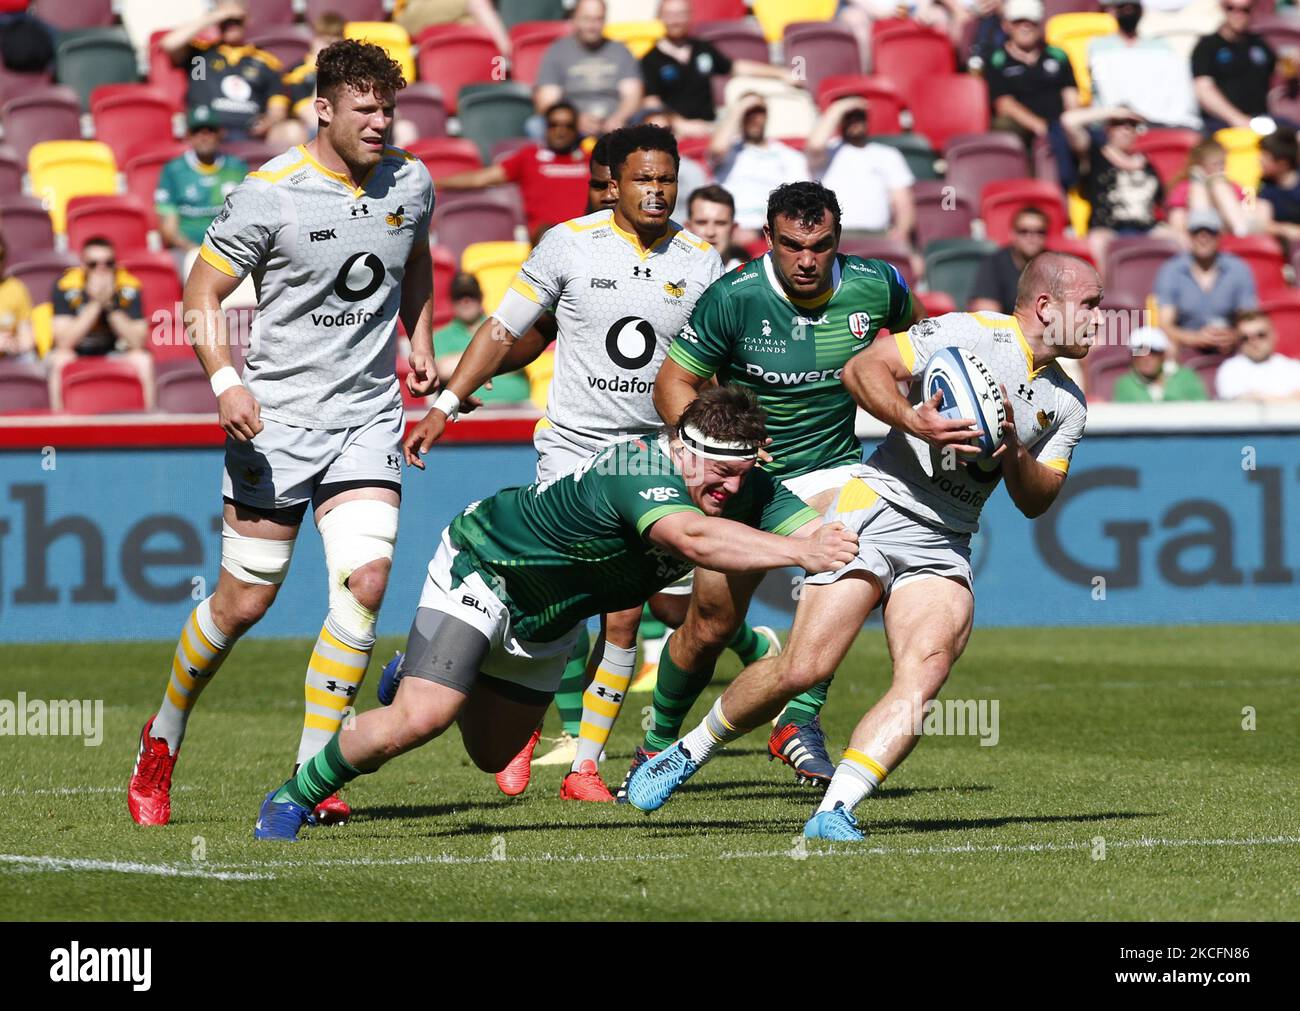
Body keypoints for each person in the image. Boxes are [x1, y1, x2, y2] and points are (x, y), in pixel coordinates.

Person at [251, 387, 860, 841]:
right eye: (719, 472)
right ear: (681, 448)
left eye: (742, 474)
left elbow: (828, 531)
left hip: (552, 621)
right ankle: (292, 796)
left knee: (492, 755)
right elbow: (695, 540)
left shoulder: (749, 489)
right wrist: (802, 552)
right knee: (423, 716)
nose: (730, 488)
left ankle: (425, 660)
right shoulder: (638, 467)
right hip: (487, 567)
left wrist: (868, 540)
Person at [627, 253, 1097, 842]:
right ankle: (688, 751)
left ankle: (835, 810)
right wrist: (912, 419)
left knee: (923, 679)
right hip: (877, 507)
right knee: (804, 668)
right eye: (1092, 305)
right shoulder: (967, 333)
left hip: (946, 539)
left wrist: (1012, 450)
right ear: (1047, 306)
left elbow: (1037, 500)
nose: (1102, 321)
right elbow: (863, 369)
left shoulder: (1069, 404)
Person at [406, 125, 779, 803]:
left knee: (636, 611)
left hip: (658, 461)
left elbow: (721, 363)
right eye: (644, 179)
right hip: (575, 453)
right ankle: (480, 700)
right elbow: (503, 329)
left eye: (667, 180)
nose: (657, 191)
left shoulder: (702, 264)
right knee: (553, 608)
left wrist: (744, 432)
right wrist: (449, 402)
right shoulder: (567, 244)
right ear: (617, 182)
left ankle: (583, 763)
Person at [126, 41, 438, 829]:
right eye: (364, 108)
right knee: (241, 604)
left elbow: (416, 263)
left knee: (364, 586)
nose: (381, 122)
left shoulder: (412, 181)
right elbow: (201, 290)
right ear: (323, 108)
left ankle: (310, 775)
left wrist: (420, 340)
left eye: (388, 108)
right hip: (277, 421)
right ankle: (163, 733)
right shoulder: (270, 193)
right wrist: (227, 381)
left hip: (366, 416)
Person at [633, 180, 924, 796]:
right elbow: (671, 385)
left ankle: (797, 717)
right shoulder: (733, 298)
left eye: (819, 245)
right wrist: (712, 446)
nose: (807, 259)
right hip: (750, 479)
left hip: (835, 468)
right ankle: (657, 744)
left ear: (838, 239)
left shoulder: (880, 285)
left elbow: (917, 351)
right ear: (770, 239)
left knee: (853, 559)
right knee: (708, 626)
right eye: (792, 245)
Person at [435, 102, 589, 242]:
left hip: (586, 236)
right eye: (554, 125)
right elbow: (480, 179)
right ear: (545, 128)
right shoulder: (529, 157)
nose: (560, 131)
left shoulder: (590, 159)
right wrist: (435, 182)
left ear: (576, 129)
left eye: (567, 126)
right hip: (546, 239)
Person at [641, 0, 798, 137]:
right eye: (670, 14)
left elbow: (736, 67)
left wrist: (780, 73)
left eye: (681, 14)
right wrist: (680, 124)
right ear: (660, 17)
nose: (676, 20)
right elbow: (651, 104)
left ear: (690, 16)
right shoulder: (650, 60)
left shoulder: (701, 48)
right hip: (675, 131)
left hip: (710, 125)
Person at [160, 1, 289, 142]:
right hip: (206, 133)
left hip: (249, 134)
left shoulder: (267, 62)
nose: (231, 25)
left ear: (247, 20)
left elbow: (277, 110)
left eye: (236, 20)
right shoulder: (199, 55)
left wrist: (268, 122)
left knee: (291, 132)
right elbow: (169, 43)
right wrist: (215, 15)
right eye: (225, 21)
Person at [47, 237, 152, 411]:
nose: (101, 269)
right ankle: (59, 424)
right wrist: (96, 303)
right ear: (83, 265)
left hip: (113, 350)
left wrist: (110, 305)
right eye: (93, 264)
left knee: (143, 360)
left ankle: (149, 423)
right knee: (60, 359)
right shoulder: (65, 286)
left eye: (108, 263)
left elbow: (137, 342)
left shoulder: (129, 286)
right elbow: (63, 342)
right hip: (77, 352)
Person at [1061, 105, 1165, 268]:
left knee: (1178, 241)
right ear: (1108, 128)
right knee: (1100, 243)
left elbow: (1161, 202)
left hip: (1146, 228)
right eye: (1119, 123)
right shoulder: (1095, 156)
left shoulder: (1147, 164)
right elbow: (1068, 121)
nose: (1126, 129)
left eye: (1132, 125)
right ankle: (1107, 293)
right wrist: (1111, 111)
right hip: (1107, 229)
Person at [985, 0, 1078, 174]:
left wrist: (1068, 124)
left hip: (1059, 124)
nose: (1025, 26)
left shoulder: (1058, 56)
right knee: (1004, 125)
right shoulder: (997, 60)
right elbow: (1004, 104)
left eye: (1031, 21)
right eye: (1018, 21)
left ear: (1040, 22)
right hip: (1023, 127)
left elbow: (1071, 96)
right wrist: (1040, 127)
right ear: (1006, 25)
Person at [807, 96, 914, 242]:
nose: (855, 122)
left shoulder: (888, 154)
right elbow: (814, 145)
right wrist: (840, 107)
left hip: (879, 236)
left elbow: (903, 202)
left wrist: (902, 233)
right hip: (835, 236)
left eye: (860, 117)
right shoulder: (827, 152)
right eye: (849, 117)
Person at [710, 93, 809, 245]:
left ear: (767, 115)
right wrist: (740, 108)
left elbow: (798, 198)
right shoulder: (728, 152)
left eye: (759, 111)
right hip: (725, 230)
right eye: (747, 112)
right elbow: (717, 149)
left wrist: (760, 230)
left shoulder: (788, 156)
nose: (753, 118)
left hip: (768, 231)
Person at [1154, 208, 1257, 353]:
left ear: (1220, 236)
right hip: (1185, 346)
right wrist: (1195, 338)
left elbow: (1250, 316)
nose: (1203, 237)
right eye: (1197, 232)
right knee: (1165, 345)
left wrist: (1234, 335)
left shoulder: (1238, 269)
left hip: (1230, 347)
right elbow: (1164, 324)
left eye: (1210, 232)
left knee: (1256, 339)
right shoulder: (1172, 270)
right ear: (1189, 235)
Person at [534, 0, 643, 137]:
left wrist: (619, 118)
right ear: (574, 19)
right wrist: (575, 119)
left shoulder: (621, 51)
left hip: (616, 123)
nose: (592, 26)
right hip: (571, 124)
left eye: (598, 19)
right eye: (586, 19)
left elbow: (632, 96)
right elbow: (547, 101)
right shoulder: (557, 52)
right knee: (536, 126)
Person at [155, 107, 249, 265]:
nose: (204, 137)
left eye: (210, 130)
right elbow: (168, 228)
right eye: (197, 131)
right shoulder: (173, 170)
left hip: (230, 249)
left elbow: (246, 217)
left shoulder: (237, 168)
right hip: (186, 250)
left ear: (220, 134)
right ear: (188, 136)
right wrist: (194, 251)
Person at [1088, 1, 1200, 130]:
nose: (1128, 12)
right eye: (1122, 7)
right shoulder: (1098, 45)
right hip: (1113, 124)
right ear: (1111, 11)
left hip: (1156, 122)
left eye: (1134, 8)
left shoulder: (1160, 45)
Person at [432, 273, 530, 406]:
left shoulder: (504, 327)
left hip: (520, 408)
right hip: (469, 416)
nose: (465, 301)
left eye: (471, 295)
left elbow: (521, 357)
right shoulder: (440, 337)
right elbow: (443, 370)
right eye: (459, 296)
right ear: (452, 300)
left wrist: (468, 365)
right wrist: (494, 358)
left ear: (481, 297)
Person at [1191, 1, 1277, 134]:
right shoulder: (1208, 46)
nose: (1238, 14)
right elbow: (1203, 89)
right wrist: (1236, 119)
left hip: (1261, 120)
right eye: (1231, 8)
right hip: (1221, 123)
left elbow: (1278, 73)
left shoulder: (1259, 44)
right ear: (1222, 8)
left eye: (1245, 9)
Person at [1165, 138, 1254, 245]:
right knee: (1204, 188)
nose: (1221, 169)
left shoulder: (1233, 186)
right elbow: (1177, 221)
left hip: (1229, 230)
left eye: (1223, 163)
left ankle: (1242, 234)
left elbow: (1250, 206)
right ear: (1200, 165)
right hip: (1196, 235)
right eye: (1215, 164)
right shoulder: (1184, 187)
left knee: (1219, 186)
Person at [969, 205, 1050, 314]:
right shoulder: (994, 263)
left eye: (1039, 232)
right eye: (1024, 231)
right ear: (1012, 234)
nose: (1031, 237)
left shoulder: (1054, 266)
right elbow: (986, 315)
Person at [282, 11, 346, 141]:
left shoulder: (349, 70)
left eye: (337, 44)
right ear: (314, 40)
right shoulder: (297, 73)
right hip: (312, 131)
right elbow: (311, 117)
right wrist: (324, 69)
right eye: (326, 42)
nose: (332, 50)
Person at [1216, 309, 1300, 401]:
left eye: (1261, 335)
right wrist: (1287, 399)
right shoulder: (1230, 369)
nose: (1254, 342)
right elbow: (1237, 404)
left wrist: (1258, 397)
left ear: (1274, 335)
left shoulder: (1294, 368)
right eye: (1245, 338)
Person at [1111, 325, 1210, 402]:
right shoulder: (1124, 385)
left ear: (1164, 355)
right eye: (1139, 351)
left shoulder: (1187, 377)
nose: (1146, 357)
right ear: (1132, 356)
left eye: (1153, 351)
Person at [391, 0, 511, 59]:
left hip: (406, 19)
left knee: (470, 23)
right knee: (477, 5)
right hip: (409, 13)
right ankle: (508, 56)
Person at [686, 184, 747, 270]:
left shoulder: (750, 280)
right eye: (701, 223)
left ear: (733, 229)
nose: (710, 232)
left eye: (720, 223)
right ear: (687, 228)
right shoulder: (669, 273)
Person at [1255, 129, 1300, 243]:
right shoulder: (1265, 187)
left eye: (1265, 157)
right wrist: (1285, 230)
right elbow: (1264, 223)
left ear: (1282, 163)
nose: (1259, 160)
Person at [0, 232, 34, 362]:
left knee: (29, 359)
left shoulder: (16, 288)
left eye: (0, 256)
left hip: (9, 357)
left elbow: (27, 340)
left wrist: (13, 345)